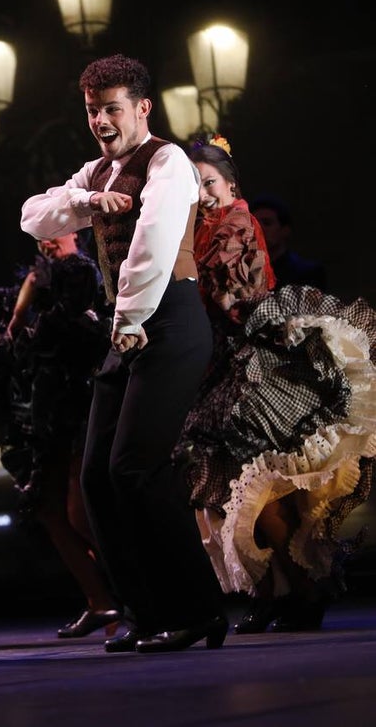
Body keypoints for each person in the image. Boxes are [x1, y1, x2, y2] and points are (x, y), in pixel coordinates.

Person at [20, 54, 227, 654]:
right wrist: (87, 204)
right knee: (95, 478)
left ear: (142, 108)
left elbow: (154, 244)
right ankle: (146, 610)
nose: (102, 121)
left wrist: (131, 318)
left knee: (135, 469)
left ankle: (196, 610)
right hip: (129, 327)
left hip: (169, 318)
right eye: (92, 111)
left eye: (113, 109)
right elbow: (35, 215)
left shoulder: (168, 161)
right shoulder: (99, 172)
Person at [177, 136, 376, 634]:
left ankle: (300, 593)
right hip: (220, 365)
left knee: (258, 488)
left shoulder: (235, 221)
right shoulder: (203, 226)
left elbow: (228, 296)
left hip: (252, 362)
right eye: (193, 184)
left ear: (230, 184)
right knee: (235, 490)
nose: (202, 193)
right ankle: (277, 593)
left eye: (209, 183)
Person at [0, 232, 119, 639]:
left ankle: (144, 594)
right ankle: (102, 602)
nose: (47, 240)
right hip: (44, 414)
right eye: (41, 233)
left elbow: (58, 326)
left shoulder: (79, 272)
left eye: (56, 230)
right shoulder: (38, 278)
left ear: (75, 233)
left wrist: (21, 309)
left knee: (81, 512)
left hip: (78, 405)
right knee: (47, 507)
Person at [250, 194, 328, 291]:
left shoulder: (307, 273)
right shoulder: (245, 273)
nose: (259, 229)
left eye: (267, 223)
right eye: (254, 223)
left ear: (285, 230)